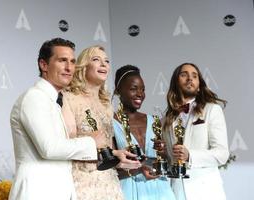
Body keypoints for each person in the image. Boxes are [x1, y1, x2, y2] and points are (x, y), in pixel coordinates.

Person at [9, 38, 109, 200]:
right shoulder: (34, 97)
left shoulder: (53, 102)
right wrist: (91, 142)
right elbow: (49, 148)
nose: (69, 68)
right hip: (37, 192)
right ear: (44, 65)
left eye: (72, 61)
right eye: (62, 61)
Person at [62, 46, 141, 200]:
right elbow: (67, 145)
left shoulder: (106, 104)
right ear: (83, 66)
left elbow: (108, 149)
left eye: (106, 61)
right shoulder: (68, 98)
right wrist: (91, 143)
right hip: (83, 181)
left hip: (110, 182)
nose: (104, 64)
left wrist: (121, 160)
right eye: (96, 59)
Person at [162, 63, 229, 200]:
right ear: (176, 82)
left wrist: (190, 155)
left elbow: (222, 154)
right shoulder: (166, 119)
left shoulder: (212, 110)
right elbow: (169, 159)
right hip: (176, 191)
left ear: (199, 85)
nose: (190, 78)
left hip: (205, 191)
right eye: (184, 74)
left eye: (194, 75)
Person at [112, 65, 176, 200]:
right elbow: (109, 167)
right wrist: (138, 169)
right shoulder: (110, 122)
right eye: (133, 89)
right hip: (128, 190)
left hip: (161, 190)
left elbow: (164, 161)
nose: (140, 94)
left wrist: (163, 151)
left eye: (142, 89)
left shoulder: (154, 121)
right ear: (118, 91)